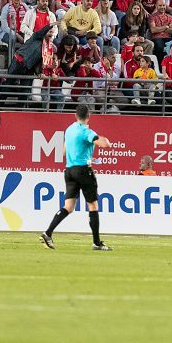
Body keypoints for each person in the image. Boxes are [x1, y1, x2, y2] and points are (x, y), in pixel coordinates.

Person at [40, 103, 113, 251]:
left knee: (69, 207)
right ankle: (96, 243)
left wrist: (85, 156)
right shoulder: (87, 132)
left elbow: (64, 152)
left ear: (75, 115)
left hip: (69, 170)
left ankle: (47, 233)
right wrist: (105, 141)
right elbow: (104, 144)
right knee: (92, 205)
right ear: (89, 116)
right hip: (83, 171)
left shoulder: (69, 130)